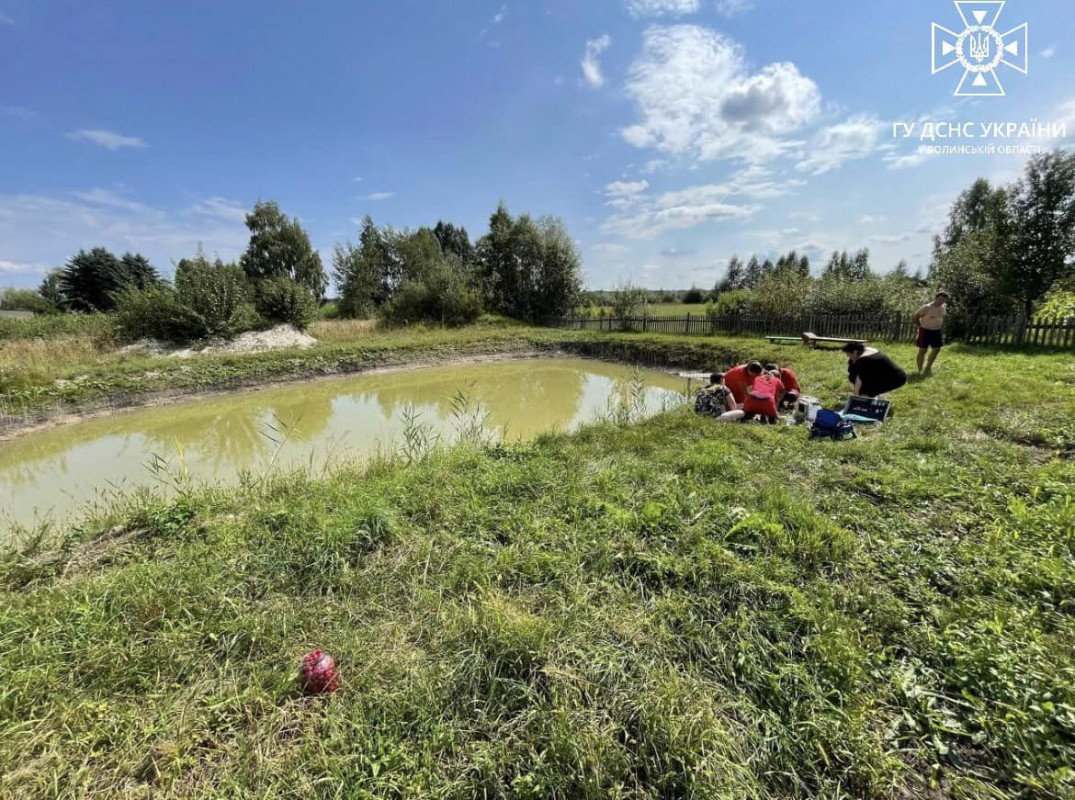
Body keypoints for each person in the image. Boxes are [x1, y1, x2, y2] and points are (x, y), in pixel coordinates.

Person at [842, 342, 907, 398]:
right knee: (854, 370)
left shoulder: (864, 360)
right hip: (890, 374)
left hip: (895, 379)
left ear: (855, 352)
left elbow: (859, 379)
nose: (848, 357)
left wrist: (855, 395)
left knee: (864, 387)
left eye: (849, 355)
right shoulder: (867, 350)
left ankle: (865, 400)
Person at [912, 291, 951, 375]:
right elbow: (916, 316)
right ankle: (919, 370)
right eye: (940, 299)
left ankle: (928, 367)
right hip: (925, 330)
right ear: (935, 298)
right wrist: (919, 326)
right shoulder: (927, 307)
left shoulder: (944, 306)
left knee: (937, 349)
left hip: (937, 331)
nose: (941, 301)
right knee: (923, 350)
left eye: (944, 300)